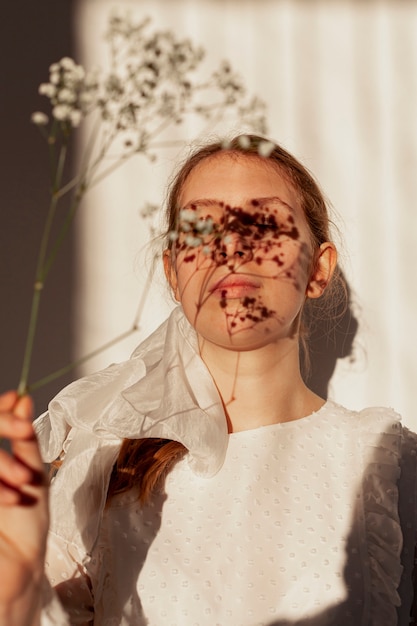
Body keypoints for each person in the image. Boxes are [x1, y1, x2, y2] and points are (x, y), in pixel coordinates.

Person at [0, 134, 416, 626]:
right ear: (173, 273)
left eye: (265, 222)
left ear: (318, 269)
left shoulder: (387, 464)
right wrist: (15, 588)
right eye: (200, 227)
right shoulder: (102, 462)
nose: (232, 246)